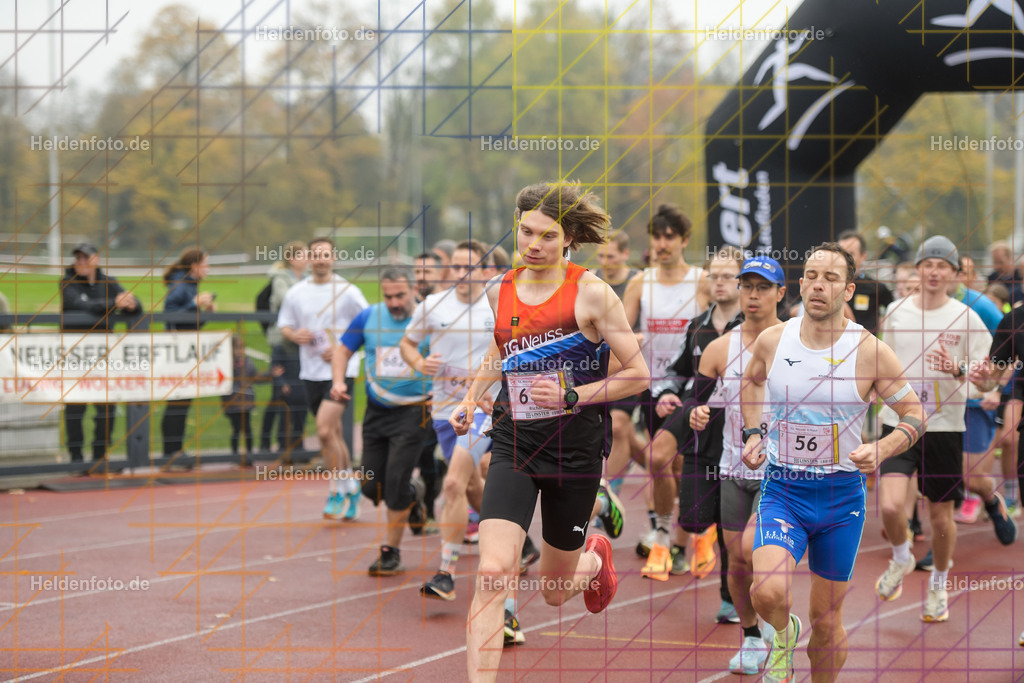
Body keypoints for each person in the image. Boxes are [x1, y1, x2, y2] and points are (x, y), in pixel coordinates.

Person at [450, 181, 649, 682]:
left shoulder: (592, 293)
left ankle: (593, 560)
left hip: (574, 451)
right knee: (494, 572)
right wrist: (471, 398)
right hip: (514, 441)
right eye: (525, 232)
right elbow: (501, 352)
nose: (532, 244)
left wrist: (572, 396)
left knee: (555, 592)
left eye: (545, 235)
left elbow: (638, 374)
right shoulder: (503, 287)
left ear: (568, 239)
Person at [741, 242, 926, 682]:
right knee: (766, 593)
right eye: (812, 276)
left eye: (831, 278)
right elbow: (751, 382)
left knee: (826, 622)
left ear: (848, 290)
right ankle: (784, 633)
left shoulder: (869, 351)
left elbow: (915, 415)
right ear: (801, 284)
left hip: (841, 498)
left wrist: (881, 448)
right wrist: (753, 433)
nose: (819, 285)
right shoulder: (773, 339)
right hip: (784, 488)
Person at [875, 236, 1013, 624]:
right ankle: (902, 558)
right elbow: (882, 365)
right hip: (898, 423)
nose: (934, 272)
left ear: (955, 275)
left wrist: (957, 370)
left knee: (939, 516)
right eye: (928, 264)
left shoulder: (966, 318)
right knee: (888, 505)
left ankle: (939, 584)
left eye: (943, 267)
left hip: (945, 426)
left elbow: (986, 382)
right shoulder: (897, 311)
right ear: (917, 270)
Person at [689, 256, 786, 675]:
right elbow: (698, 401)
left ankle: (780, 630)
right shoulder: (719, 348)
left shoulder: (796, 344)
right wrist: (695, 413)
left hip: (779, 474)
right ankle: (750, 636)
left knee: (755, 554)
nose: (752, 295)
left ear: (781, 293)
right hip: (732, 468)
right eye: (747, 286)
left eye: (762, 287)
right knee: (736, 559)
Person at [648, 247, 744, 613]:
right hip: (695, 413)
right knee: (693, 514)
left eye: (726, 276)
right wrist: (668, 392)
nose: (719, 283)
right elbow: (679, 370)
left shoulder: (758, 326)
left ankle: (728, 597)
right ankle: (669, 532)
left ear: (741, 280)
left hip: (735, 420)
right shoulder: (699, 324)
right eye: (713, 276)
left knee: (727, 513)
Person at [621, 204, 711, 581]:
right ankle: (668, 533)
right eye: (656, 237)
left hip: (691, 386)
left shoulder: (702, 281)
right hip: (651, 386)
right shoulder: (641, 282)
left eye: (669, 237)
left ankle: (677, 539)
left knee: (673, 461)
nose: (662, 244)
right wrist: (629, 339)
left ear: (684, 240)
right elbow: (621, 328)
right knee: (663, 464)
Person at [330, 267, 431, 575]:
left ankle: (391, 552)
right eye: (388, 296)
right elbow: (342, 351)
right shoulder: (368, 317)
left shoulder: (428, 318)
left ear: (413, 289)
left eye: (400, 295)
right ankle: (413, 494)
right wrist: (338, 382)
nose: (394, 302)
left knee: (396, 479)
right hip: (377, 412)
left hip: (416, 411)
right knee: (371, 486)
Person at [278, 237, 368, 520]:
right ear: (308, 258)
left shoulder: (348, 291)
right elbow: (284, 324)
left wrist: (344, 348)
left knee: (324, 431)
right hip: (310, 371)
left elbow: (370, 324)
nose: (320, 259)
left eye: (325, 254)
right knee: (334, 434)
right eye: (315, 254)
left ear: (333, 258)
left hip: (341, 372)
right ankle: (350, 486)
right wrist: (295, 335)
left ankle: (336, 490)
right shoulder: (296, 292)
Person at [60, 241, 142, 467]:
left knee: (106, 408)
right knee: (75, 408)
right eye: (78, 258)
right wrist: (112, 303)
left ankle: (99, 457)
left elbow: (137, 305)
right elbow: (78, 304)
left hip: (103, 358)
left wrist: (129, 304)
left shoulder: (109, 282)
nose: (81, 262)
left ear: (96, 259)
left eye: (85, 257)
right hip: (75, 357)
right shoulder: (68, 281)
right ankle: (76, 458)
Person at [161, 247, 214, 462]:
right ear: (195, 266)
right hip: (177, 354)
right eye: (206, 264)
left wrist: (206, 312)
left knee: (182, 402)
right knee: (177, 402)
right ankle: (171, 452)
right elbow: (170, 315)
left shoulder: (190, 285)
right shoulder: (181, 285)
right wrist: (194, 304)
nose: (208, 270)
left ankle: (176, 451)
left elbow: (192, 322)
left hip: (185, 353)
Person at [260, 241, 309, 456]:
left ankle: (294, 444)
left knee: (299, 393)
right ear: (291, 258)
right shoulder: (280, 278)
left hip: (301, 342)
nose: (307, 259)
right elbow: (285, 300)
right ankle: (269, 444)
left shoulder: (306, 278)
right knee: (280, 393)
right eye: (302, 255)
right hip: (283, 341)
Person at [221, 334, 276, 457]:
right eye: (236, 348)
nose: (239, 351)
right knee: (236, 429)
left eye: (241, 348)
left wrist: (270, 375)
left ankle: (250, 455)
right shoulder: (226, 364)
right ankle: (235, 455)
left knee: (247, 429)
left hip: (246, 403)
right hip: (232, 404)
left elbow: (256, 377)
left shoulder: (247, 363)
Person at [838, 230, 894, 334]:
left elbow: (896, 315)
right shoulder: (826, 287)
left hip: (865, 347)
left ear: (863, 256)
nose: (845, 259)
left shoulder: (877, 288)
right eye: (841, 253)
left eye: (850, 254)